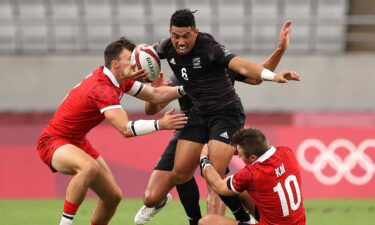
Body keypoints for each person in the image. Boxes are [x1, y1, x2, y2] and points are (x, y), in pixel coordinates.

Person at [134, 9, 297, 224]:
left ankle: (233, 218)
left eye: (186, 36)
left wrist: (275, 70)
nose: (181, 42)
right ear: (170, 34)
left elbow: (251, 72)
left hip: (225, 115)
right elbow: (150, 104)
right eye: (176, 36)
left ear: (196, 33)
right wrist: (135, 74)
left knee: (214, 178)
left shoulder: (213, 53)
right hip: (194, 117)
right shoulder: (168, 54)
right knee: (180, 175)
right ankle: (220, 217)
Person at [36, 36, 188, 225]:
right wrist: (160, 124)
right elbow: (125, 129)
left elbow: (155, 95)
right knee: (87, 167)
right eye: (129, 59)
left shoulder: (121, 79)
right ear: (115, 64)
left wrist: (186, 89)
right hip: (53, 141)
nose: (134, 62)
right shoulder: (102, 88)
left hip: (77, 141)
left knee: (112, 197)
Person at [199, 127, 306, 225]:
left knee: (206, 222)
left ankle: (246, 221)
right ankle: (245, 220)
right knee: (241, 190)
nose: (239, 156)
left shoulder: (252, 174)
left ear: (252, 157)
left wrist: (204, 159)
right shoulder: (287, 152)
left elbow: (219, 186)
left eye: (240, 154)